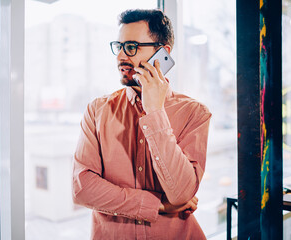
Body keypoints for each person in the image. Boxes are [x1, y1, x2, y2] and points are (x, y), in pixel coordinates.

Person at [72, 9, 211, 240]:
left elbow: (180, 194)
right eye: (119, 46)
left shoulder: (194, 113)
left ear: (163, 53)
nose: (120, 57)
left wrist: (155, 111)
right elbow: (82, 188)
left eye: (132, 47)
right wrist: (157, 205)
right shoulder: (97, 110)